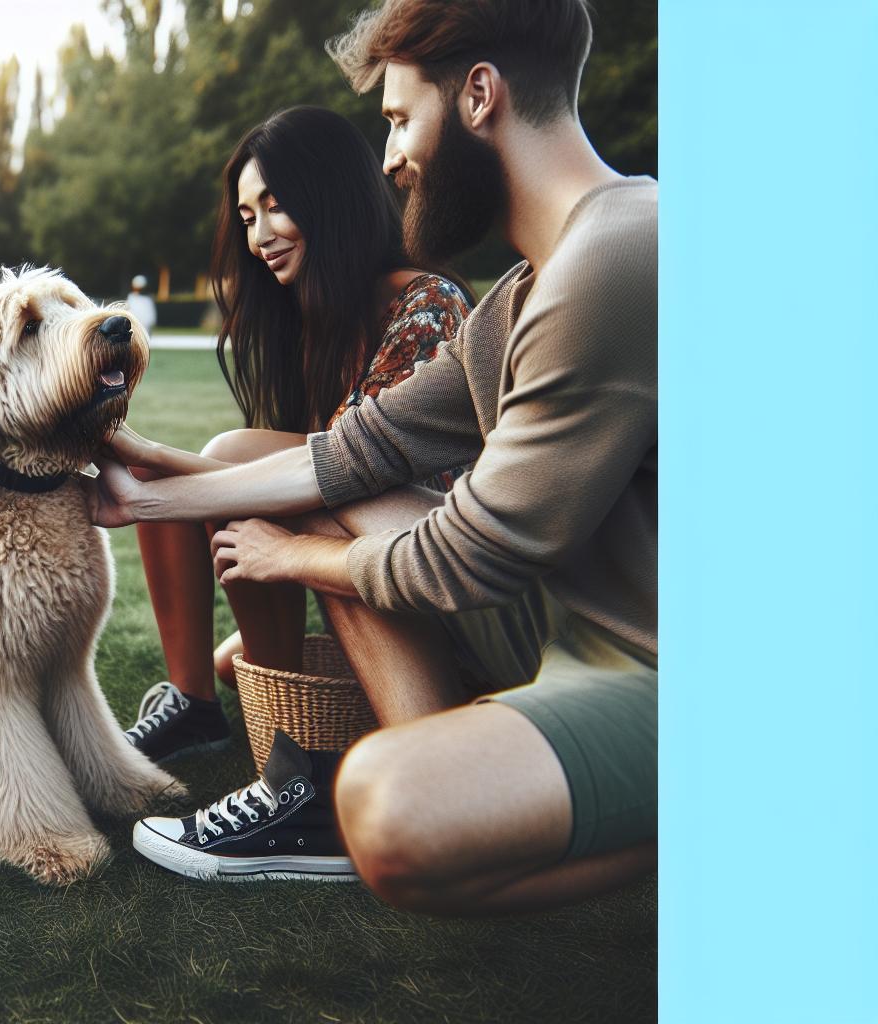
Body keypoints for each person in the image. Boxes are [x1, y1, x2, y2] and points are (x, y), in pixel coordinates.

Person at [102, 0, 656, 915]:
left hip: (656, 670)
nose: (390, 157)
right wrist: (141, 495)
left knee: (388, 807)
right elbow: (358, 450)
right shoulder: (522, 296)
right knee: (323, 492)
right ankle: (401, 771)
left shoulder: (616, 257)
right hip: (557, 625)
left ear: (479, 96)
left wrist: (295, 559)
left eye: (400, 120)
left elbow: (466, 556)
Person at [116, 106, 471, 792]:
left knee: (222, 454)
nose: (258, 237)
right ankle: (197, 704)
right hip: (353, 544)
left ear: (330, 196)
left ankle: (286, 742)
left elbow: (339, 479)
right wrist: (150, 464)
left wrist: (163, 467)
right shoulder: (320, 320)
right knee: (174, 483)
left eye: (275, 207)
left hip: (432, 565)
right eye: (247, 216)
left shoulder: (427, 308)